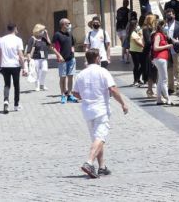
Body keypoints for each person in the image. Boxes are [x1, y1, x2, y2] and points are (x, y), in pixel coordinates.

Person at [73, 49, 129, 179]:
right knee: (100, 138)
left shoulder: (81, 74)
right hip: (101, 109)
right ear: (98, 58)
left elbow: (75, 93)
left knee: (96, 139)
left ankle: (102, 166)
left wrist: (86, 96)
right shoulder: (103, 72)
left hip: (87, 110)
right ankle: (89, 162)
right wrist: (123, 103)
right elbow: (113, 89)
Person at [0, 23, 26, 114]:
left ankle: (6, 100)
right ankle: (16, 105)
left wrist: (0, 65)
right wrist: (24, 67)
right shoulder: (18, 40)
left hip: (5, 65)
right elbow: (20, 55)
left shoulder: (1, 39)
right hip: (15, 65)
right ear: (15, 29)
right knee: (16, 85)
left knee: (7, 84)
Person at [25, 24, 62, 93]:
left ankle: (42, 84)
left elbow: (50, 44)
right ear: (37, 30)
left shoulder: (43, 38)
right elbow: (28, 50)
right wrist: (29, 58)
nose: (43, 32)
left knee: (45, 70)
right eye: (42, 30)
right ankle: (37, 86)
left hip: (43, 58)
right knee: (37, 72)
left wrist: (47, 34)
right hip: (35, 58)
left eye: (43, 31)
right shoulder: (32, 39)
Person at [52, 19, 77, 104]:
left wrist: (73, 51)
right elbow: (53, 47)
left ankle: (69, 95)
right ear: (63, 25)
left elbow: (73, 44)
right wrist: (59, 56)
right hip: (62, 60)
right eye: (68, 24)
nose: (70, 25)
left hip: (71, 59)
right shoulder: (57, 35)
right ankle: (63, 95)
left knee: (70, 76)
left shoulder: (70, 34)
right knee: (63, 78)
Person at [149, 20, 172, 105]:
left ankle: (159, 99)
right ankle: (168, 98)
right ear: (161, 26)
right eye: (165, 26)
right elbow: (155, 47)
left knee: (161, 79)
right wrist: (167, 46)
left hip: (161, 58)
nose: (166, 28)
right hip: (160, 58)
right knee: (164, 79)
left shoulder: (163, 35)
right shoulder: (158, 35)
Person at [163, 8, 179, 95]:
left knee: (178, 68)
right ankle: (171, 87)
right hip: (167, 49)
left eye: (170, 14)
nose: (169, 15)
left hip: (176, 49)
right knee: (169, 69)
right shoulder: (165, 25)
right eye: (167, 14)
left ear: (174, 15)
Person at [127, 17, 146, 87]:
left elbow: (140, 39)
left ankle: (137, 79)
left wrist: (140, 36)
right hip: (135, 51)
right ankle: (136, 79)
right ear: (134, 25)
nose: (137, 26)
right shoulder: (132, 34)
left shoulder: (136, 32)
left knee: (141, 65)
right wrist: (144, 46)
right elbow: (138, 42)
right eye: (136, 24)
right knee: (137, 65)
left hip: (138, 50)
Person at [115, 0, 131, 64]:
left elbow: (118, 18)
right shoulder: (129, 11)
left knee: (123, 44)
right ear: (128, 4)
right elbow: (129, 20)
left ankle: (124, 57)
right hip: (124, 29)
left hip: (119, 28)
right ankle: (124, 57)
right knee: (124, 44)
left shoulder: (119, 10)